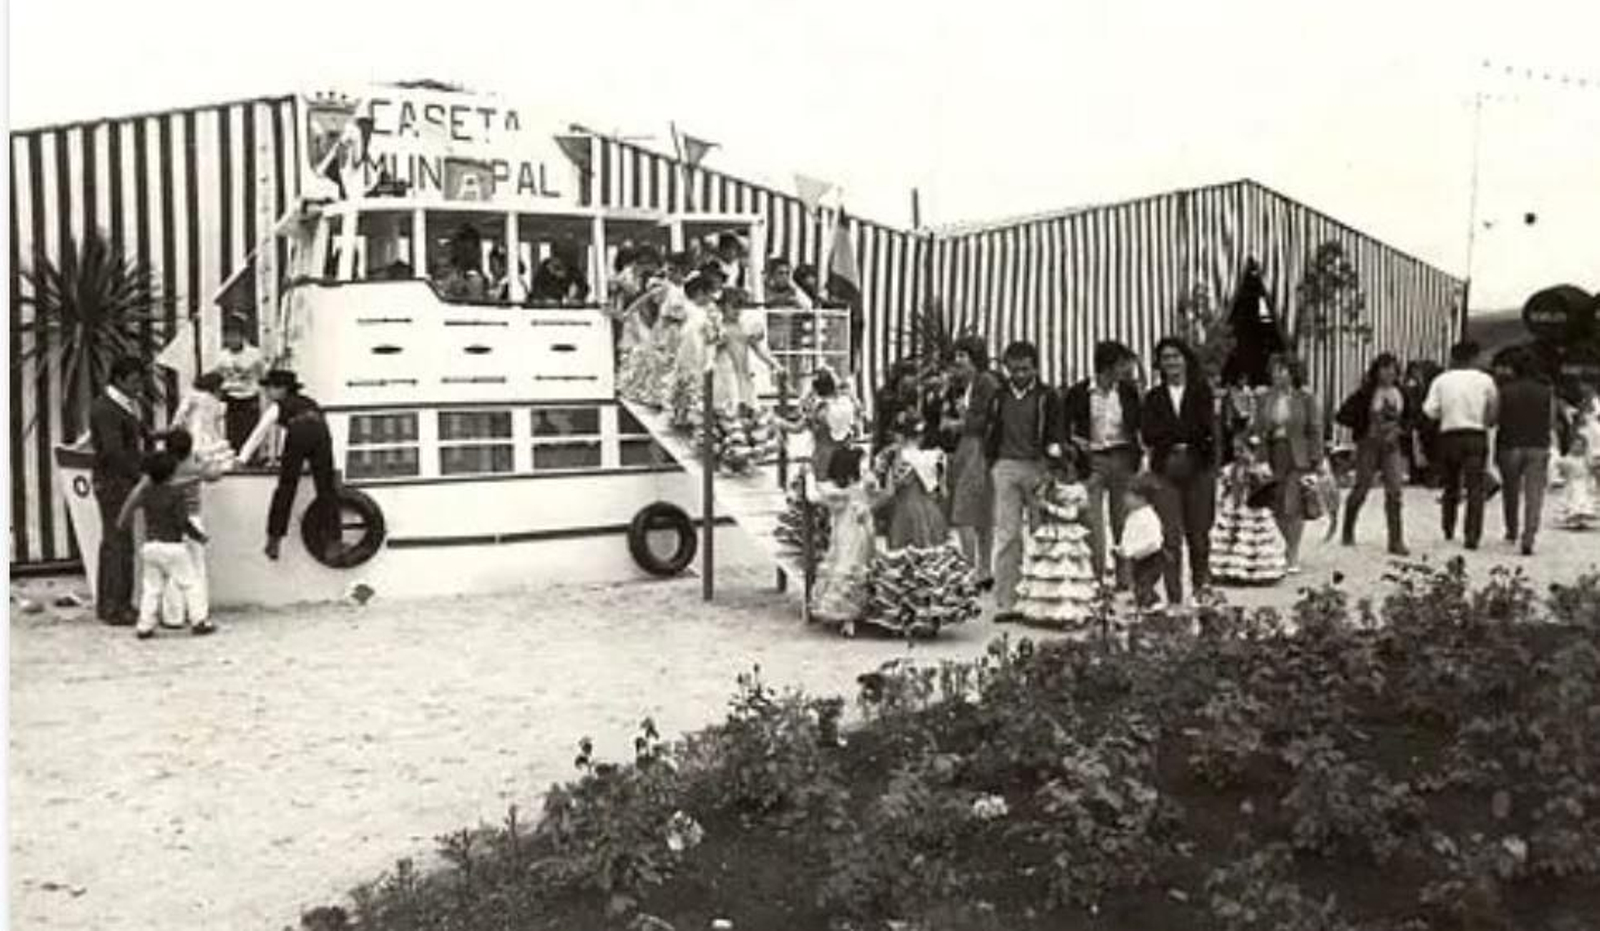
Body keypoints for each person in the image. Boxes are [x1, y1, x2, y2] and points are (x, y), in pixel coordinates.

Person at [985, 340, 1062, 623]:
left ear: (1035, 368)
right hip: (1005, 466)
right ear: (1006, 368)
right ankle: (1007, 600)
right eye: (1014, 370)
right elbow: (989, 429)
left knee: (1042, 532)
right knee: (1008, 535)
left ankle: (1043, 599)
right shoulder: (999, 396)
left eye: (1025, 369)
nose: (1020, 375)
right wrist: (991, 460)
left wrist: (1051, 466)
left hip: (1037, 466)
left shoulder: (1047, 396)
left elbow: (1056, 431)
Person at [1140, 336, 1218, 606]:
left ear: (1185, 359)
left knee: (1199, 533)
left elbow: (1205, 429)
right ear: (1159, 364)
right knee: (1170, 537)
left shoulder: (1201, 391)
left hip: (1198, 466)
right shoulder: (1153, 397)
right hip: (1165, 469)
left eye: (1175, 356)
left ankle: (1201, 590)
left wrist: (1175, 435)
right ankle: (1174, 597)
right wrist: (1178, 436)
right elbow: (1149, 434)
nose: (1171, 362)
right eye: (1165, 358)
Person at [1061, 341, 1143, 588]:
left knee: (1123, 520)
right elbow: (1062, 428)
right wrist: (1076, 442)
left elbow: (1139, 424)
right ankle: (1094, 578)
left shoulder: (1128, 392)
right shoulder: (1079, 392)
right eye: (1122, 364)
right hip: (1092, 460)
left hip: (1122, 457)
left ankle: (1124, 577)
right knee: (1092, 522)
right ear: (1108, 366)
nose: (1127, 369)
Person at [237, 369, 339, 561]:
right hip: (321, 434)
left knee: (286, 488)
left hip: (298, 433)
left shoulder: (278, 406)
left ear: (282, 389)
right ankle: (333, 541)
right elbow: (319, 425)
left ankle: (274, 539)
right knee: (326, 488)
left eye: (270, 388)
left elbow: (260, 432)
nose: (267, 393)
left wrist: (242, 458)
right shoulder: (311, 402)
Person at [115, 450, 211, 639]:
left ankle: (144, 625)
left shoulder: (146, 492)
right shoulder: (176, 493)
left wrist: (121, 525)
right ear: (171, 473)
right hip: (174, 547)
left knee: (151, 588)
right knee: (190, 584)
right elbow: (182, 522)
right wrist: (199, 537)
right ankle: (199, 620)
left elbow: (126, 515)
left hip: (151, 547)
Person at [140, 428, 226, 628]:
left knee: (168, 574)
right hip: (192, 518)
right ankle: (199, 615)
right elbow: (216, 474)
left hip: (163, 525)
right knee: (195, 570)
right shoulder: (195, 464)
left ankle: (172, 616)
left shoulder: (162, 467)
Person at [89, 358, 150, 625]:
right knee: (118, 544)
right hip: (115, 483)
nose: (140, 386)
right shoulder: (107, 409)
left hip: (119, 481)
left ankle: (112, 604)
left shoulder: (122, 406)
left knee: (116, 543)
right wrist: (140, 477)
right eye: (135, 381)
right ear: (121, 379)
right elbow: (114, 452)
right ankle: (116, 607)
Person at [1423, 340, 1499, 549]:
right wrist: (1484, 421)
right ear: (1474, 357)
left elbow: (1430, 411)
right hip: (1475, 435)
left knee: (1451, 484)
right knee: (1475, 487)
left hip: (1449, 435)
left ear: (1453, 357)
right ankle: (1472, 535)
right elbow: (1493, 412)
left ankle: (1448, 527)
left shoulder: (1441, 380)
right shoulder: (1486, 380)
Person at [1336, 353, 1413, 556]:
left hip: (1392, 445)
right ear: (1376, 371)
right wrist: (1361, 427)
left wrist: (1402, 430)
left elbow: (1412, 418)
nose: (1389, 373)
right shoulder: (1365, 394)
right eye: (1384, 368)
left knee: (1395, 490)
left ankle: (1395, 540)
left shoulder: (1402, 393)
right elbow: (1342, 414)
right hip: (1368, 444)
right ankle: (1348, 528)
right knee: (1362, 487)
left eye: (1393, 368)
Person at [1013, 448, 1097, 632]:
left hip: (1066, 533)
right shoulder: (1049, 486)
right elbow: (1036, 500)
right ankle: (1043, 611)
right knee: (1046, 570)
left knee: (1065, 573)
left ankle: (1069, 614)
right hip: (1050, 531)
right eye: (1052, 470)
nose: (1055, 473)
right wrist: (1042, 493)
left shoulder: (1077, 490)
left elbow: (1071, 514)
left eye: (1059, 469)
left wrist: (1049, 507)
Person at [1253, 353, 1324, 573]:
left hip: (1298, 454)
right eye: (1274, 370)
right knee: (1275, 505)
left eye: (1282, 370)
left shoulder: (1305, 397)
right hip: (1274, 453)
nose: (1277, 375)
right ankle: (1283, 545)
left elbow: (1315, 429)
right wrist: (1259, 458)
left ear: (1292, 373)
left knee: (1293, 505)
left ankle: (1293, 552)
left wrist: (1316, 458)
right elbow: (1258, 430)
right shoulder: (1265, 397)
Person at [940, 336, 999, 591]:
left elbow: (985, 420)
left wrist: (957, 424)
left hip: (978, 448)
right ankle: (983, 569)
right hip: (968, 449)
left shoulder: (986, 383)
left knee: (965, 511)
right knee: (982, 513)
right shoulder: (963, 385)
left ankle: (971, 568)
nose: (957, 361)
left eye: (962, 356)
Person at [808, 447, 880, 636]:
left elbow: (813, 495)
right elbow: (875, 488)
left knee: (844, 568)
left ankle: (846, 616)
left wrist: (808, 475)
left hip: (844, 536)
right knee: (861, 566)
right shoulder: (861, 490)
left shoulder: (839, 495)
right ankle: (862, 611)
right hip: (863, 534)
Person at [1495, 348, 1556, 556]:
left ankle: (1511, 530)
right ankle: (1529, 535)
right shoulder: (1546, 391)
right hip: (1538, 444)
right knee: (1534, 493)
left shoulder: (1504, 390)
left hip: (1509, 444)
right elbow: (1552, 421)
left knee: (1510, 490)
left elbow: (1494, 417)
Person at [1209, 435, 1289, 585]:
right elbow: (1225, 486)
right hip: (1234, 505)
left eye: (1241, 450)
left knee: (1254, 537)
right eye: (1235, 450)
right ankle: (1229, 570)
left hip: (1254, 506)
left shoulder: (1260, 468)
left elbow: (1268, 488)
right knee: (1232, 536)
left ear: (1252, 451)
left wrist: (1256, 477)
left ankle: (1259, 572)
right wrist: (1223, 499)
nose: (1237, 454)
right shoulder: (1231, 469)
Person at [876, 411, 948, 549]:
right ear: (921, 436)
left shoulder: (893, 457)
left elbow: (889, 492)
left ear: (899, 435)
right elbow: (943, 493)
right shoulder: (936, 457)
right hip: (932, 514)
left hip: (903, 515)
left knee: (905, 561)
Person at [668, 273, 722, 428]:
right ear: (699, 293)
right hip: (689, 349)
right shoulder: (687, 308)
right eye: (710, 292)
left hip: (702, 349)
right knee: (686, 381)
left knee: (699, 383)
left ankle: (694, 417)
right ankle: (681, 415)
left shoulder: (710, 310)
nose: (712, 296)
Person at [1116, 474, 1169, 610]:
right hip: (1137, 559)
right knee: (1137, 582)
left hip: (1150, 559)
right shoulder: (1133, 516)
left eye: (1129, 496)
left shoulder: (1149, 518)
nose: (1125, 499)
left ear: (1141, 499)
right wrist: (1123, 548)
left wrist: (1133, 551)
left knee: (1144, 583)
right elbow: (1129, 535)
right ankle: (1143, 604)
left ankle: (1152, 604)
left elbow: (1154, 542)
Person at [216, 318, 266, 454]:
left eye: (235, 335)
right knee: (232, 433)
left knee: (250, 432)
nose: (232, 339)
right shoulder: (221, 357)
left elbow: (263, 375)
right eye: (228, 336)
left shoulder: (254, 354)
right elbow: (218, 378)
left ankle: (252, 461)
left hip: (249, 398)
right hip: (231, 398)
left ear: (242, 335)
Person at [170, 371, 232, 466]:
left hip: (197, 431)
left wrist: (175, 425)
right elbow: (218, 424)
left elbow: (181, 413)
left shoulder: (194, 396)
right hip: (203, 432)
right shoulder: (206, 399)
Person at [1554, 431, 1598, 530]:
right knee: (1572, 502)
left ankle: (1581, 520)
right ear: (1570, 446)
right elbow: (1561, 469)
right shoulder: (1568, 459)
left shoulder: (1585, 459)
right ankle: (1572, 520)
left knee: (1582, 502)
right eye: (1575, 445)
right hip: (1572, 485)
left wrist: (1593, 472)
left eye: (1580, 446)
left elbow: (1591, 469)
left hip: (1583, 484)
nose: (1578, 448)